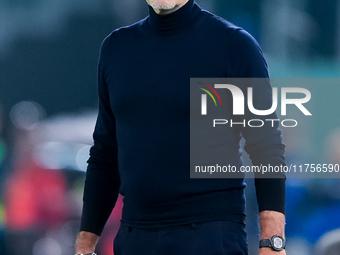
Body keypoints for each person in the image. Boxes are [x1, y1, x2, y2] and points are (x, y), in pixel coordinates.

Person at [75, 0, 287, 254]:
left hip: (209, 235)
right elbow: (105, 153)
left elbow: (266, 146)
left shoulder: (233, 45)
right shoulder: (116, 48)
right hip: (136, 235)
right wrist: (84, 246)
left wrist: (273, 242)